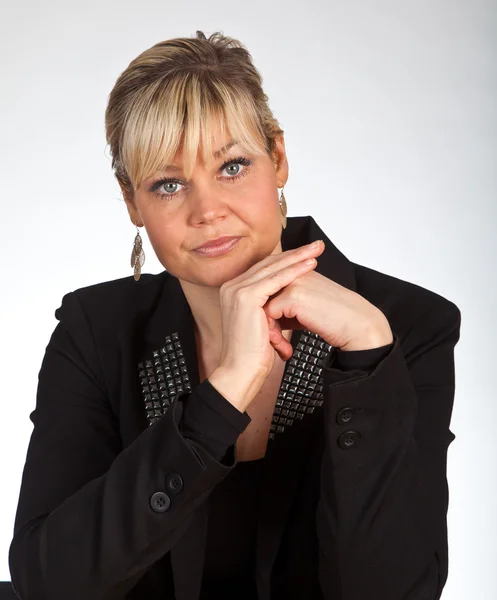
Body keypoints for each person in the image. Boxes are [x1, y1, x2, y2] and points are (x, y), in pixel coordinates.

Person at [8, 30, 461, 600]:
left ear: (278, 158)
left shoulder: (406, 325)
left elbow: (394, 590)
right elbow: (48, 584)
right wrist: (219, 400)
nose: (207, 211)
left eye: (232, 166)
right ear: (131, 202)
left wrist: (369, 359)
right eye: (168, 184)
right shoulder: (95, 331)